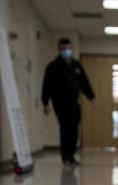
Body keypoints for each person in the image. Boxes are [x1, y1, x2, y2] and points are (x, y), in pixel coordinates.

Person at [41, 38, 95, 166]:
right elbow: (47, 85)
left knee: (74, 129)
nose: (66, 51)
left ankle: (71, 155)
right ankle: (65, 156)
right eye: (63, 49)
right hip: (60, 103)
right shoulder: (53, 67)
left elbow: (84, 82)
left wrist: (91, 97)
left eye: (69, 48)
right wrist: (45, 102)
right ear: (58, 49)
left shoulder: (76, 65)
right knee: (66, 128)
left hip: (74, 102)